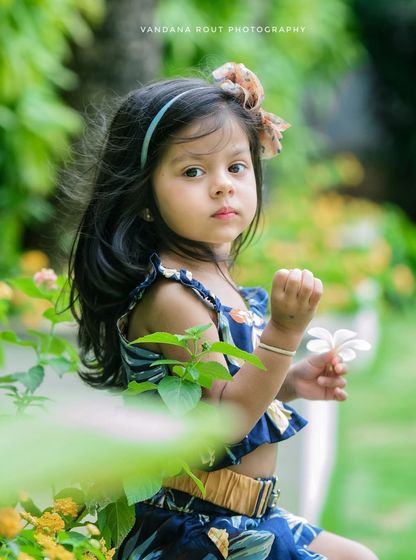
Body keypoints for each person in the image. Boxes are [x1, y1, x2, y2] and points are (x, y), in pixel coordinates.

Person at [69, 62, 378, 559]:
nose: (222, 185)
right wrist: (282, 331)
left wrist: (291, 382)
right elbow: (225, 421)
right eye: (193, 171)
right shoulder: (173, 298)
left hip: (245, 516)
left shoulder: (216, 282)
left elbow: (229, 386)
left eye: (236, 167)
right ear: (144, 198)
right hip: (198, 528)